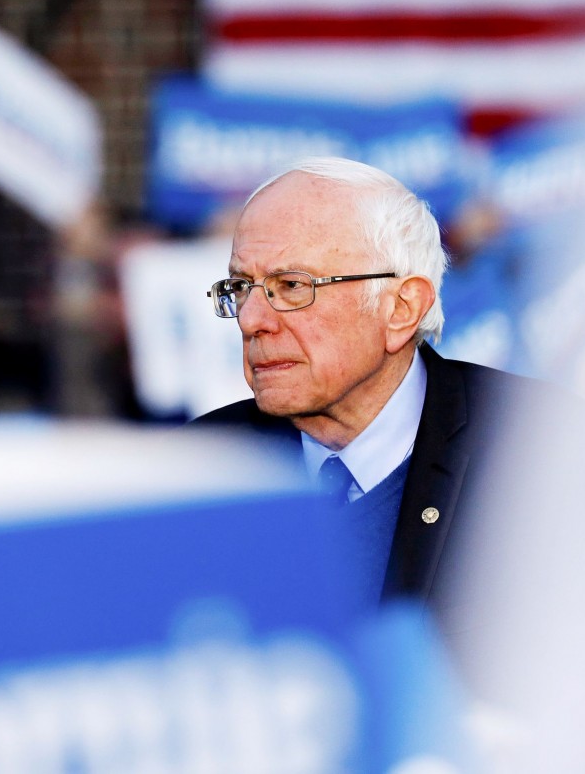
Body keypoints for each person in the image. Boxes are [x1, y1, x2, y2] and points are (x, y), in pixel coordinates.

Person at [189, 156, 561, 611]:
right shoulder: (196, 470)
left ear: (402, 309)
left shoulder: (544, 451)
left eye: (291, 285)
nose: (251, 320)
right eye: (242, 287)